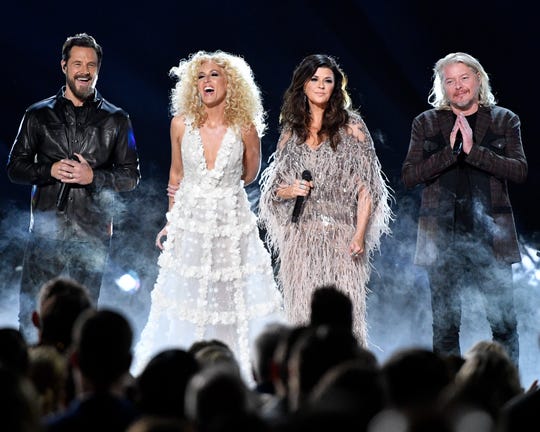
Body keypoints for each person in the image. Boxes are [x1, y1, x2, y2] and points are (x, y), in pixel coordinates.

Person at [132, 50, 283, 382]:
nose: (206, 81)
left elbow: (250, 174)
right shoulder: (180, 124)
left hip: (231, 222)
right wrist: (171, 219)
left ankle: (230, 375)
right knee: (187, 295)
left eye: (214, 74)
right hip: (191, 221)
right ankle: (184, 374)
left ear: (230, 82)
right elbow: (175, 175)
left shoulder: (245, 127)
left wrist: (221, 189)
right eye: (200, 76)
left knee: (230, 298)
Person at [6, 32, 141, 344]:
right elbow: (15, 168)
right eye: (78, 63)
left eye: (91, 65)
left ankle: (76, 371)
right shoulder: (38, 114)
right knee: (33, 316)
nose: (85, 71)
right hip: (45, 233)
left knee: (83, 322)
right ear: (64, 66)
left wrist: (93, 177)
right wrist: (49, 170)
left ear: (98, 69)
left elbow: (131, 176)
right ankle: (35, 370)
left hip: (91, 236)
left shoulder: (117, 119)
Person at [401, 52, 527, 367]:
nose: (458, 87)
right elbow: (409, 176)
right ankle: (451, 389)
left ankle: (505, 387)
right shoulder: (426, 122)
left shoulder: (505, 120)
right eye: (450, 81)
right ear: (442, 86)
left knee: (503, 324)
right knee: (445, 327)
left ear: (478, 79)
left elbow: (519, 171)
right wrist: (449, 152)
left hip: (492, 240)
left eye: (464, 78)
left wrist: (473, 151)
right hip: (440, 240)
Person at [258, 54, 393, 345]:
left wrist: (359, 235)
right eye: (315, 79)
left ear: (335, 87)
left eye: (328, 81)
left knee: (343, 317)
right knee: (303, 316)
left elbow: (368, 188)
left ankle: (345, 367)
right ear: (303, 85)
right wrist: (292, 189)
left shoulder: (352, 127)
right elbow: (273, 191)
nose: (321, 86)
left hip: (342, 237)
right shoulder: (291, 132)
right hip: (301, 240)